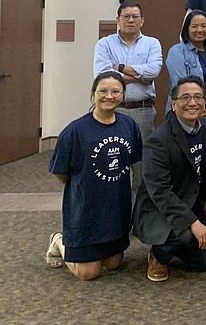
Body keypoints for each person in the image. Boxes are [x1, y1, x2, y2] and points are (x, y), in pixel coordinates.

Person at [45, 71, 142, 280]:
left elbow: (132, 162)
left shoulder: (129, 126)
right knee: (88, 274)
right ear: (93, 94)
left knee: (114, 264)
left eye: (116, 91)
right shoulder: (75, 130)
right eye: (103, 91)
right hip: (86, 210)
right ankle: (58, 241)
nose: (109, 96)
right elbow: (60, 173)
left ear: (123, 95)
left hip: (115, 206)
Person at [133, 76, 206, 282]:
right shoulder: (158, 141)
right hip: (159, 207)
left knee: (205, 263)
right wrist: (193, 223)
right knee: (186, 233)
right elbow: (160, 191)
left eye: (198, 97)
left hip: (191, 201)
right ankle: (158, 255)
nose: (192, 103)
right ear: (174, 104)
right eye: (186, 97)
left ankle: (177, 245)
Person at [93, 1, 162, 192]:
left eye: (135, 17)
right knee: (112, 161)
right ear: (118, 20)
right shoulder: (104, 44)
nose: (130, 20)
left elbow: (154, 70)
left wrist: (120, 69)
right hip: (113, 111)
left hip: (143, 111)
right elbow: (103, 77)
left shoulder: (152, 43)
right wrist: (140, 77)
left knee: (142, 165)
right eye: (126, 16)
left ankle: (140, 216)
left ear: (142, 21)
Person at [165, 10, 206, 117]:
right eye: (194, 26)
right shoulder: (177, 51)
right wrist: (198, 108)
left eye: (204, 26)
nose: (200, 30)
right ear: (187, 30)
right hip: (183, 111)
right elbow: (180, 86)